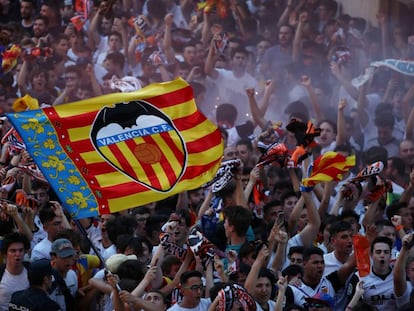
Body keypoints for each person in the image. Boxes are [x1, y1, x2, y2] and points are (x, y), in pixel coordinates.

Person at [0, 233, 30, 311]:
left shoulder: (32, 271)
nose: (17, 254)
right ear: (5, 254)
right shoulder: (1, 275)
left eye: (21, 250)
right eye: (13, 251)